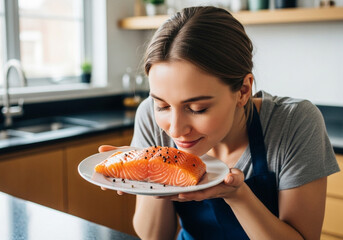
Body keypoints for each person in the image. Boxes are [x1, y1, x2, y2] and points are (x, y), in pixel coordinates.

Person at [100, 6, 339, 240]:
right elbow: (154, 236)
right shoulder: (151, 119)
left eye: (197, 109)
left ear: (243, 91)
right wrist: (148, 174)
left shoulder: (293, 123)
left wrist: (238, 196)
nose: (175, 129)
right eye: (162, 105)